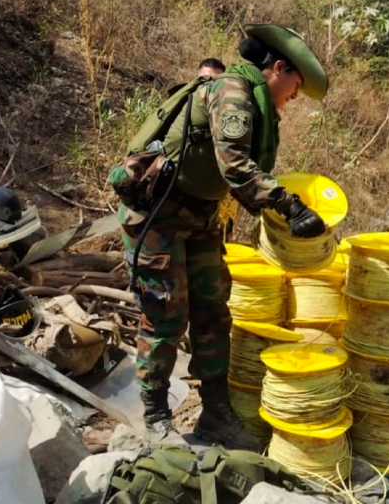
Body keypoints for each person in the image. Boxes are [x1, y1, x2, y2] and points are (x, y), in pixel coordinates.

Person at [111, 25, 328, 449]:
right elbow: (235, 166)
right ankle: (156, 416)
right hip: (159, 216)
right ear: (277, 68)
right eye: (295, 84)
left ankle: (215, 413)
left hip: (199, 216)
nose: (295, 96)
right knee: (165, 316)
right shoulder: (232, 92)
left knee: (213, 311)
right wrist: (290, 206)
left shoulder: (253, 99)